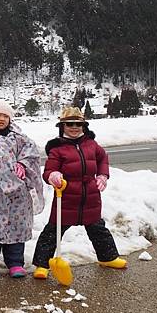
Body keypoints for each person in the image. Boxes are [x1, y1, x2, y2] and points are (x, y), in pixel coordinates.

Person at [32, 106, 126, 278]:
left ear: (84, 125)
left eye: (78, 124)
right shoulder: (57, 149)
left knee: (98, 229)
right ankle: (42, 265)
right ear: (62, 126)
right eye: (70, 124)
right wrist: (53, 175)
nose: (74, 127)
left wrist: (103, 175)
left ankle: (108, 257)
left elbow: (102, 158)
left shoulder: (91, 144)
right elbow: (48, 171)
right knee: (53, 231)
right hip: (66, 196)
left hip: (90, 195)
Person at [0, 100, 44, 278]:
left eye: (5, 116)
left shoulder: (19, 137)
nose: (2, 119)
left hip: (18, 193)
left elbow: (32, 153)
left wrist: (23, 164)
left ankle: (15, 262)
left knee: (17, 226)